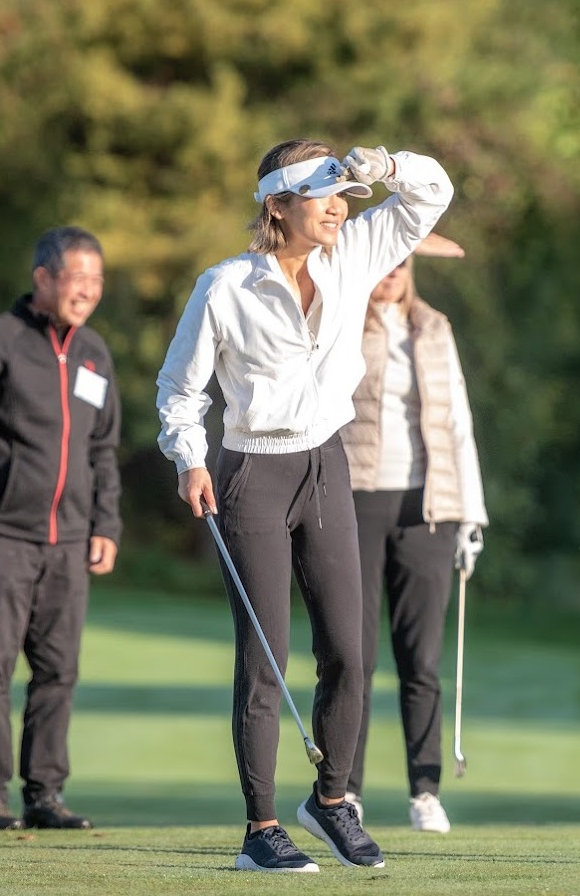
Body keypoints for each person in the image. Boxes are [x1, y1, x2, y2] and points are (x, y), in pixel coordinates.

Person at [156, 139, 452, 872]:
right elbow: (180, 390)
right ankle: (260, 831)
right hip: (250, 471)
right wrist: (190, 458)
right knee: (266, 660)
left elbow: (431, 194)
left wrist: (382, 168)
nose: (336, 206)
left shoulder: (352, 251)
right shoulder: (224, 286)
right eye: (320, 193)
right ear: (275, 204)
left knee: (350, 653)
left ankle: (330, 801)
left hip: (326, 463)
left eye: (340, 192)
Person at [0, 226, 122, 832]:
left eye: (96, 279)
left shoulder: (94, 353)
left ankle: (44, 793)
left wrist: (106, 524)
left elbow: (103, 452)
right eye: (77, 277)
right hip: (3, 537)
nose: (87, 290)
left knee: (59, 671)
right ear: (43, 278)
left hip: (69, 543)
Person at [338, 232, 487, 834]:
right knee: (354, 656)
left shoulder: (434, 327)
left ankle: (425, 789)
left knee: (420, 659)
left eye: (403, 261)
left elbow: (458, 421)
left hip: (428, 508)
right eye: (384, 260)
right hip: (356, 499)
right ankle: (343, 791)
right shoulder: (341, 322)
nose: (394, 271)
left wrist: (470, 515)